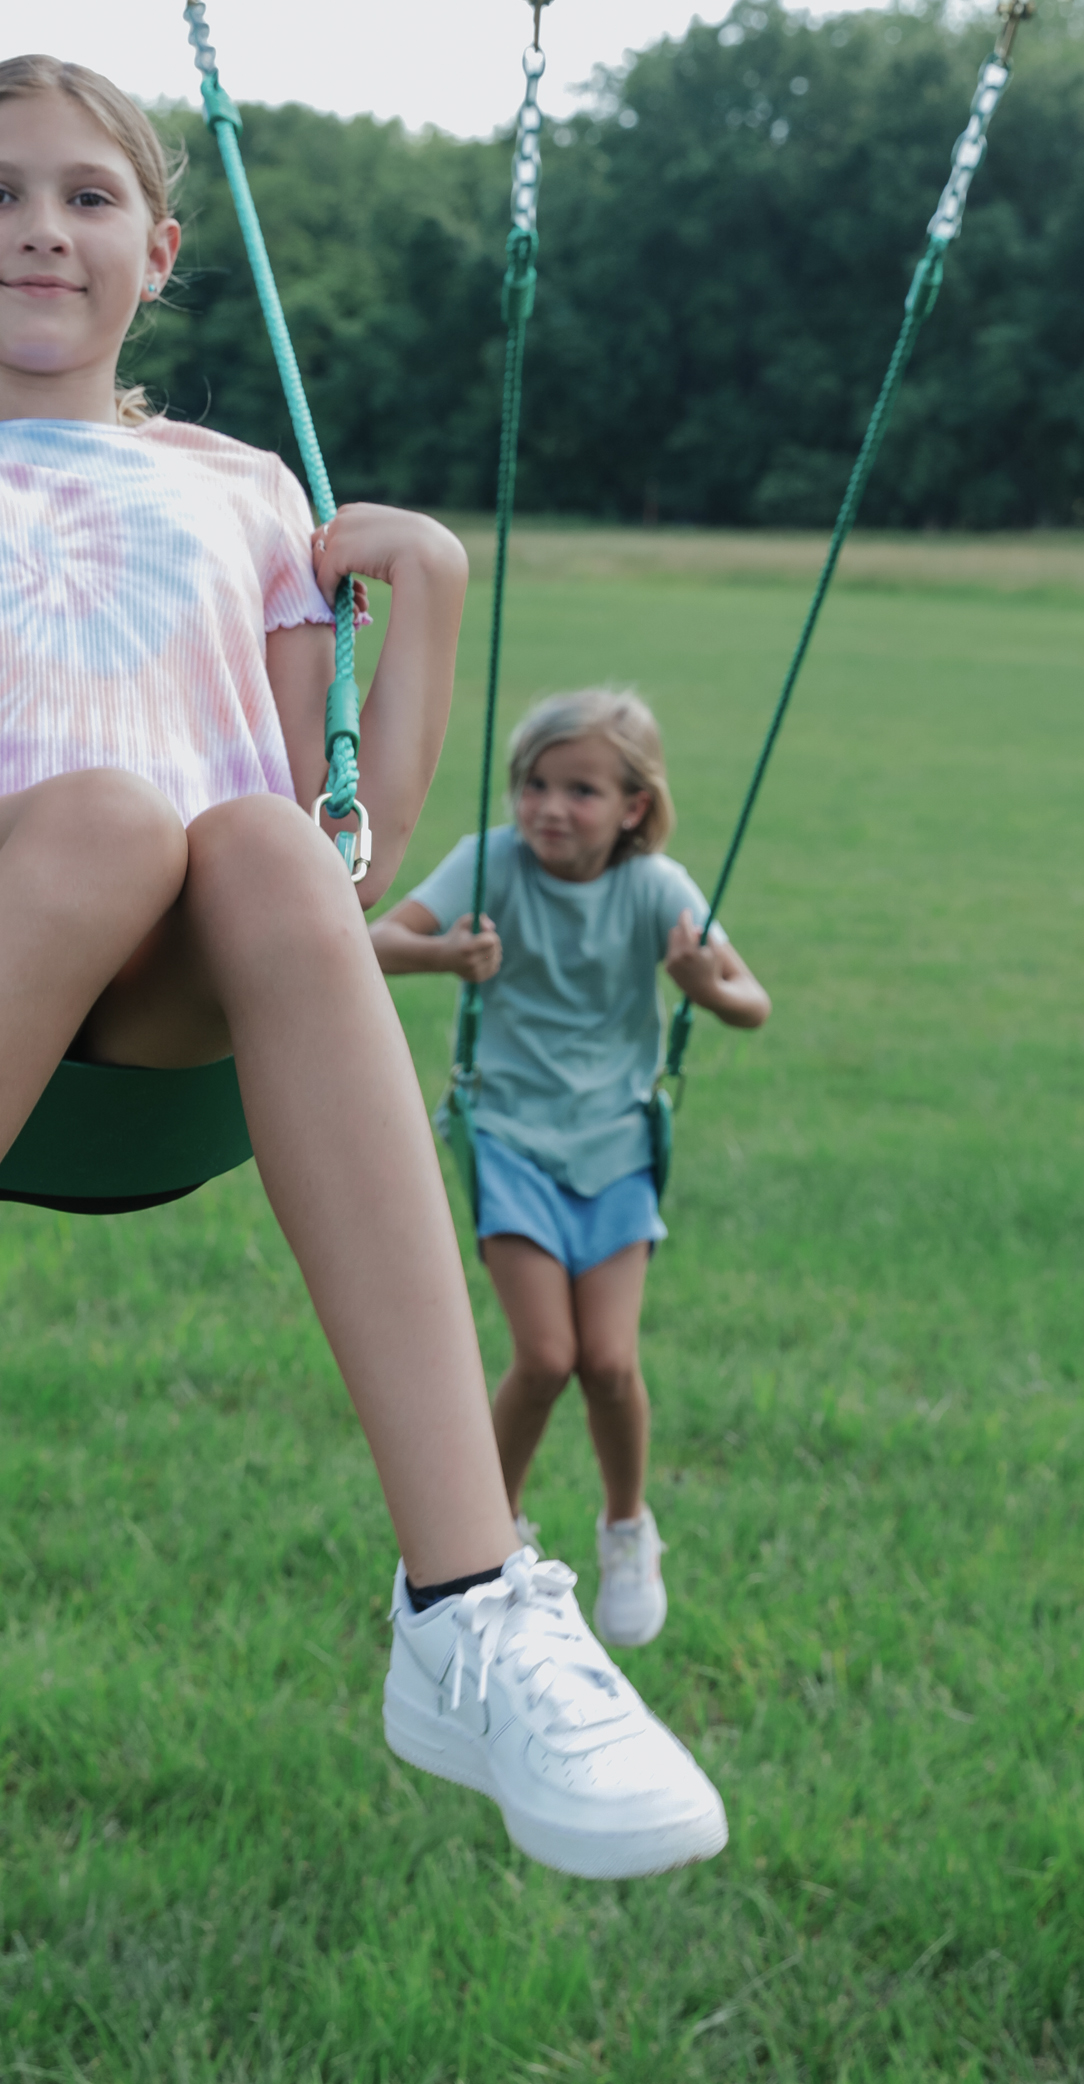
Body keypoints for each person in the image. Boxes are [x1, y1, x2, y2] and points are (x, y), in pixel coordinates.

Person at [0, 55, 725, 1882]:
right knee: (98, 817)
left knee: (242, 836)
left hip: (188, 996)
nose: (42, 230)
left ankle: (470, 1604)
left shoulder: (248, 492)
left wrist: (437, 601)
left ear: (160, 248)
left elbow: (343, 859)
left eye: (87, 197)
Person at [371, 689, 769, 1648]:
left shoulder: (657, 887)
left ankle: (627, 1526)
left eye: (581, 790)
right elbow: (373, 938)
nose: (550, 807)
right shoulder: (491, 862)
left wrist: (701, 984)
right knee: (545, 1356)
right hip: (508, 1131)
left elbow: (752, 1001)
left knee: (610, 1362)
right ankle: (488, 1546)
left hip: (616, 1143)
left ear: (634, 805)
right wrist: (444, 957)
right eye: (534, 784)